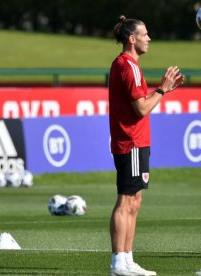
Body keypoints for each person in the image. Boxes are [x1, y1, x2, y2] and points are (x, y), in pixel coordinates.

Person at [108, 16, 184, 276]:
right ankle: (118, 261)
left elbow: (141, 103)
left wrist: (163, 90)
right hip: (129, 141)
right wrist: (161, 90)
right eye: (145, 34)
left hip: (138, 141)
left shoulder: (131, 66)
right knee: (125, 200)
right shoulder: (127, 66)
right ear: (132, 39)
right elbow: (141, 109)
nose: (149, 38)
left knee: (135, 201)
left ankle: (127, 259)